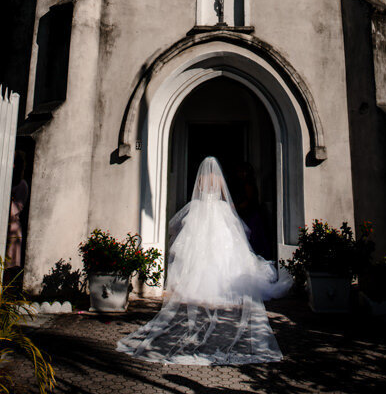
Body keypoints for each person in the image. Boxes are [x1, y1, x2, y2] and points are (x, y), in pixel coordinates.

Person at [117, 156, 292, 365]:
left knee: (198, 247)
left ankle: (195, 283)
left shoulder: (201, 179)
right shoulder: (218, 178)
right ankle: (223, 283)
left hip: (202, 210)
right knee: (224, 247)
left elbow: (199, 193)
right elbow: (222, 196)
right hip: (218, 210)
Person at [5, 151, 29, 287]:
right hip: (4, 229)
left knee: (10, 266)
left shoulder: (22, 185)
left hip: (13, 229)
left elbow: (16, 208)